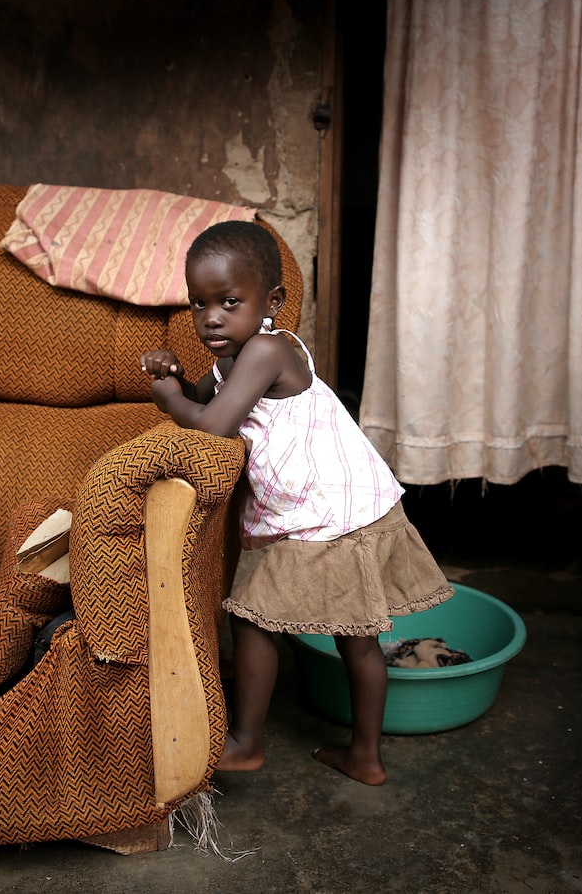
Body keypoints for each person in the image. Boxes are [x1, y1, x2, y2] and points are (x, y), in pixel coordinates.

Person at [138, 220, 453, 785]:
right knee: (357, 640)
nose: (211, 317)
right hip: (334, 509)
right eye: (199, 304)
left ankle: (247, 741)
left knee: (259, 623)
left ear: (272, 302)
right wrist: (177, 380)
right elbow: (203, 401)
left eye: (229, 301)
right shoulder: (232, 358)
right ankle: (364, 756)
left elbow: (211, 428)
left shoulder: (267, 349)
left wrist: (166, 400)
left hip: (330, 514)